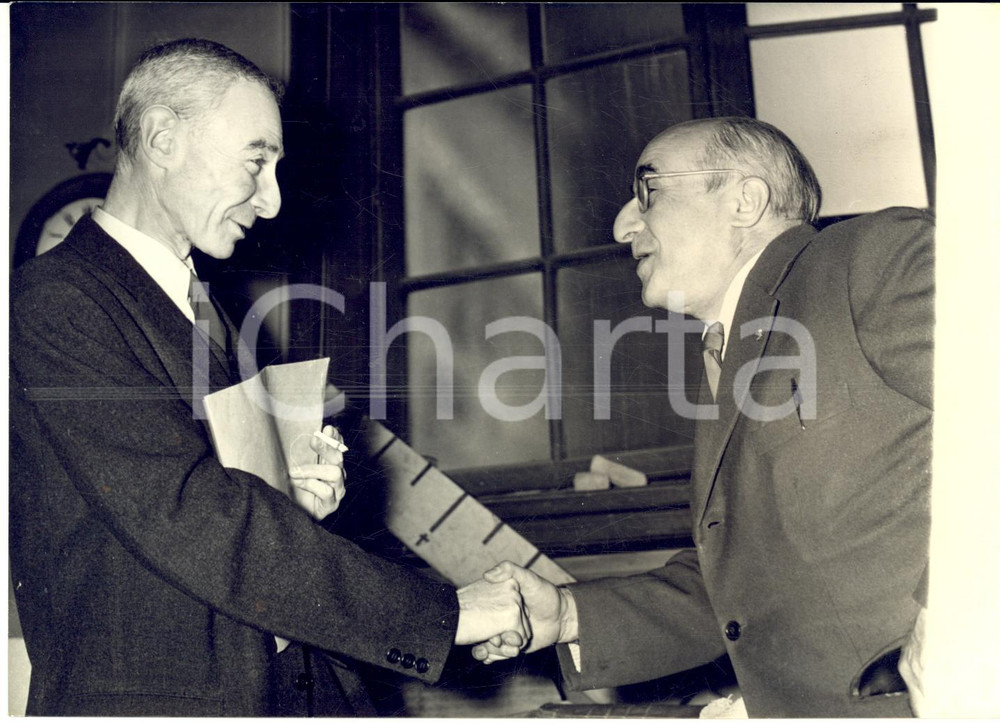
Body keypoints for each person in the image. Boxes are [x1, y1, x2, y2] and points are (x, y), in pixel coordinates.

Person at [9, 38, 527, 717]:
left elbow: (219, 507)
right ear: (162, 138)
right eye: (257, 162)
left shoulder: (203, 306)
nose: (273, 201)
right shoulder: (56, 300)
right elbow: (193, 515)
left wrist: (290, 496)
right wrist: (442, 616)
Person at [473, 116, 933, 717]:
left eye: (649, 191)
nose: (621, 226)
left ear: (745, 200)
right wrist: (567, 616)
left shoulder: (872, 256)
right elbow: (739, 593)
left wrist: (952, 620)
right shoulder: (724, 353)